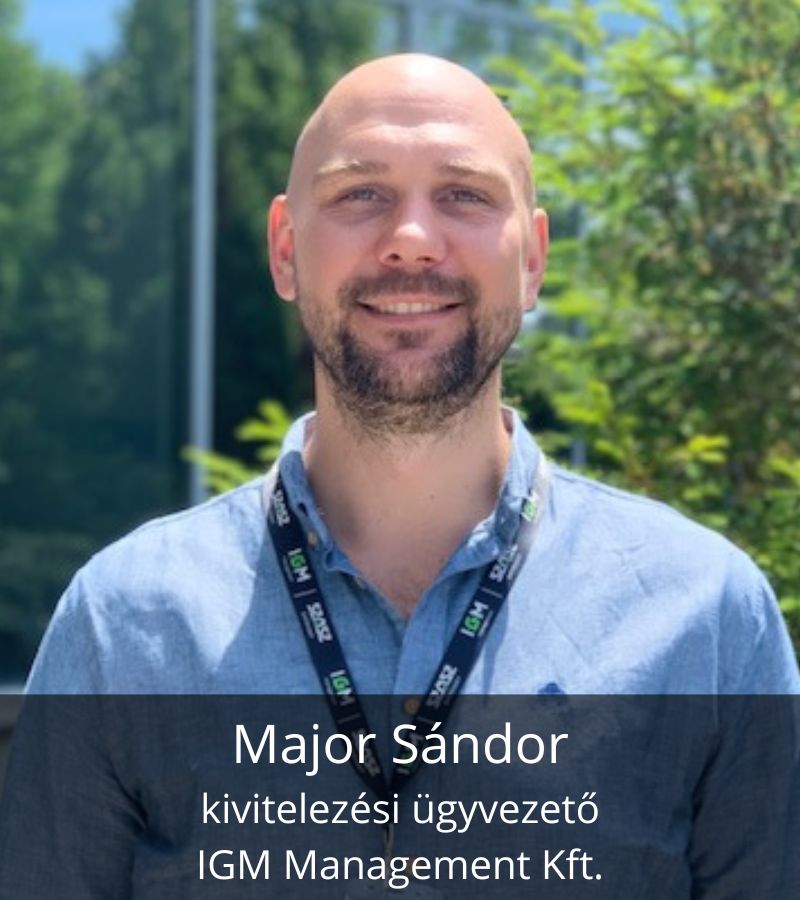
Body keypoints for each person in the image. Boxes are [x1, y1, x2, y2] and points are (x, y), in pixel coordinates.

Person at [0, 54, 797, 899]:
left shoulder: (708, 620)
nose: (412, 237)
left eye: (464, 194)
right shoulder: (124, 624)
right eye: (361, 193)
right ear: (285, 250)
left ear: (532, 259)